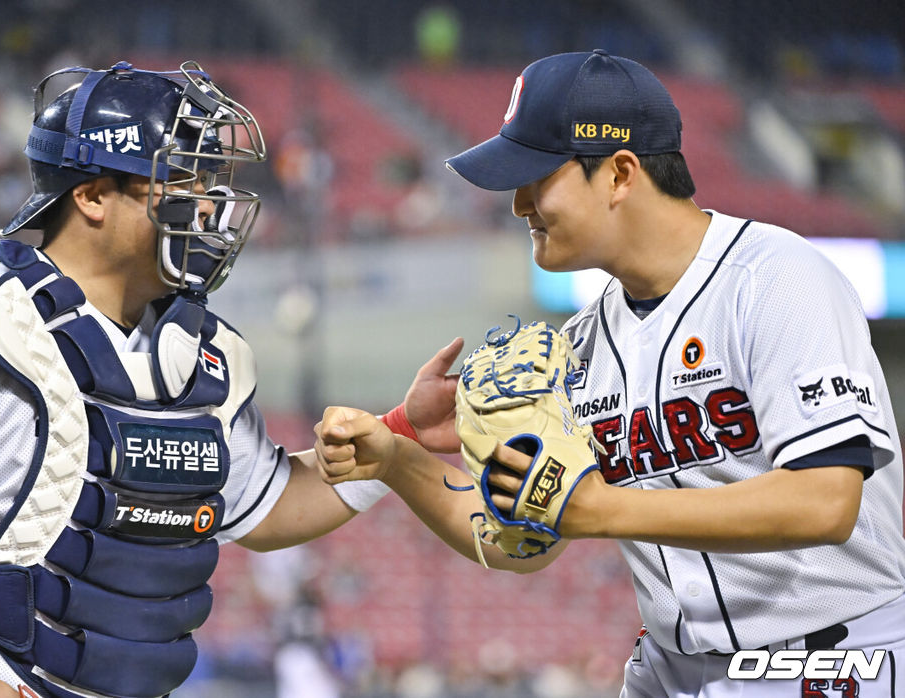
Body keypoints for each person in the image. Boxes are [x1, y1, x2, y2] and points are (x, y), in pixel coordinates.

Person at [314, 50, 905, 695]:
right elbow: (518, 538)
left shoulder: (774, 279)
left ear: (621, 173)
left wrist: (597, 507)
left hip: (829, 659)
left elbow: (825, 500)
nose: (518, 205)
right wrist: (399, 458)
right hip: (669, 668)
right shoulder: (580, 346)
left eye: (537, 176)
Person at [0, 59, 455, 698]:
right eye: (181, 178)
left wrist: (401, 433)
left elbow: (266, 508)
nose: (208, 203)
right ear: (93, 194)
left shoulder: (206, 352)